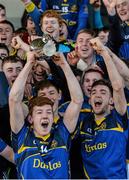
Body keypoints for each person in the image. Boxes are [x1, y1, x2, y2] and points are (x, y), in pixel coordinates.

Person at [9, 51, 83, 179]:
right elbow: (14, 99)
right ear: (31, 118)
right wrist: (29, 64)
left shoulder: (62, 133)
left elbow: (77, 100)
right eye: (39, 112)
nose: (45, 115)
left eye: (49, 112)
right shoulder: (22, 136)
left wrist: (64, 64)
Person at [74, 37, 129, 178]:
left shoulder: (119, 116)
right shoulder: (82, 123)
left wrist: (104, 53)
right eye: (93, 92)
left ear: (111, 100)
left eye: (103, 92)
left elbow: (117, 87)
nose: (97, 95)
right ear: (90, 99)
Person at [21, 0, 89, 40]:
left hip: (73, 38)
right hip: (48, 39)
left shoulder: (72, 47)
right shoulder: (41, 43)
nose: (50, 25)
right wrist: (27, 2)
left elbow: (82, 24)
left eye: (52, 23)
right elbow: (39, 19)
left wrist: (75, 41)